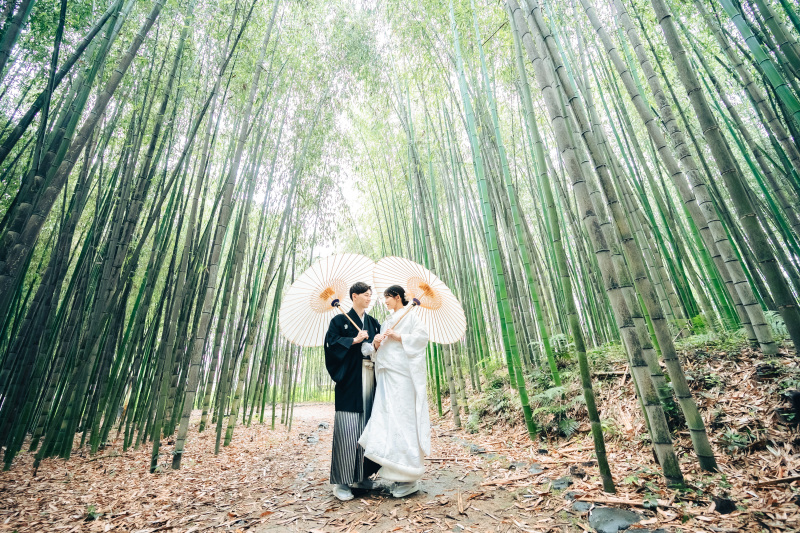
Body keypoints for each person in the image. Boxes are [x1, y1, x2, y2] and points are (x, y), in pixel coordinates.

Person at [359, 285, 430, 498]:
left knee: (404, 421)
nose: (385, 302)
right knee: (387, 421)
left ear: (397, 296)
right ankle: (396, 473)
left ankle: (409, 476)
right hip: (387, 377)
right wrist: (377, 343)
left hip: (403, 378)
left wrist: (400, 337)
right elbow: (377, 351)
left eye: (387, 298)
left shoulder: (412, 317)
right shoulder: (388, 320)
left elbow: (422, 339)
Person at [324, 282, 382, 501]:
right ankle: (342, 481)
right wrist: (352, 340)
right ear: (354, 296)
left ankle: (363, 476)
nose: (369, 298)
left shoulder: (373, 322)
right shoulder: (339, 321)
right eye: (366, 295)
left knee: (369, 424)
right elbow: (331, 346)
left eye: (371, 295)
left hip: (371, 378)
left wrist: (376, 343)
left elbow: (380, 349)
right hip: (350, 380)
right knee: (348, 427)